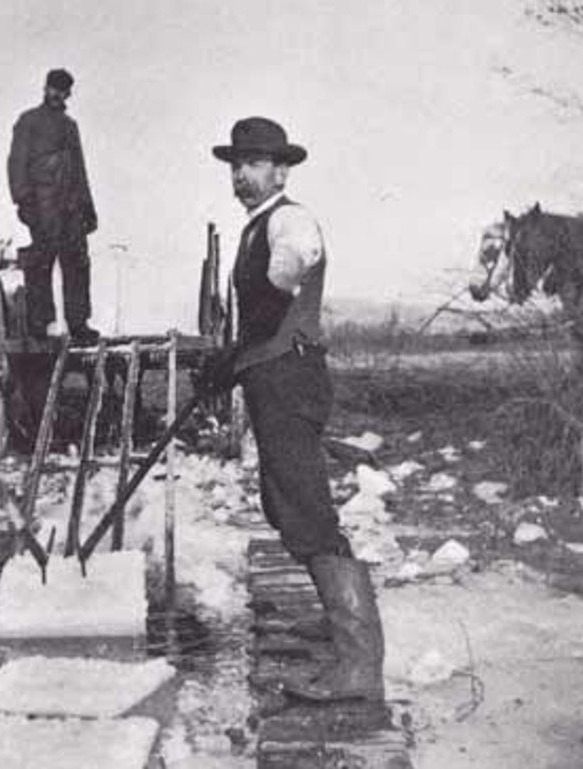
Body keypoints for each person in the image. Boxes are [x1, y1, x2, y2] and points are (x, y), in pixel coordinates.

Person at [202, 117, 385, 703]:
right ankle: (339, 625)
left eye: (254, 164)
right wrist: (234, 357)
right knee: (284, 503)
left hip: (289, 374)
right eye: (236, 165)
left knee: (304, 507)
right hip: (269, 377)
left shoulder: (290, 217)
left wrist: (249, 333)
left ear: (280, 170)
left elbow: (294, 262)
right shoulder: (256, 224)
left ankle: (358, 664)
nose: (241, 175)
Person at [7, 68, 100, 346]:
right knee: (40, 263)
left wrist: (88, 208)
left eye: (64, 90)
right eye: (54, 88)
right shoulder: (28, 122)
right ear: (45, 88)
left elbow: (79, 169)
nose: (58, 94)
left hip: (70, 208)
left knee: (78, 263)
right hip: (42, 205)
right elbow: (16, 163)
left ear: (69, 93)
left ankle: (79, 323)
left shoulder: (70, 127)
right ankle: (39, 324)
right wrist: (24, 200)